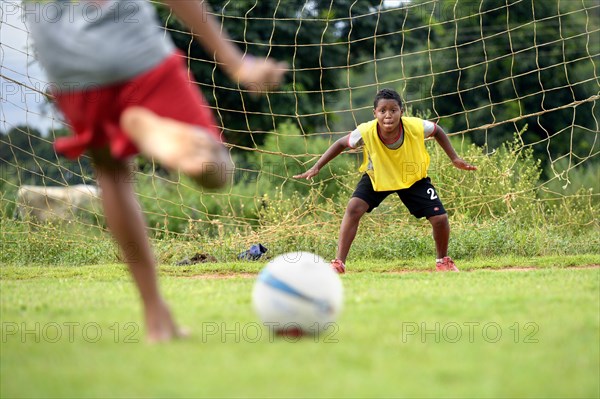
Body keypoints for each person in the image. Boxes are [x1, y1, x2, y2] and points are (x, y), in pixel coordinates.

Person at [24, 0, 286, 342]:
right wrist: (236, 63)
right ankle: (146, 127)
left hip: (66, 60)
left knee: (112, 174)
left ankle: (156, 318)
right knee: (216, 169)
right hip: (131, 45)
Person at [294, 88, 476, 274]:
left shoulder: (415, 126)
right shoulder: (366, 131)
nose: (388, 115)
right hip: (378, 176)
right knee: (354, 208)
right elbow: (341, 143)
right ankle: (339, 263)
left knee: (440, 218)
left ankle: (442, 261)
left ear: (401, 112)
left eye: (393, 110)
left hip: (411, 177)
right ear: (375, 113)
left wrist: (454, 158)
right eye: (382, 111)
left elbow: (437, 130)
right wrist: (317, 166)